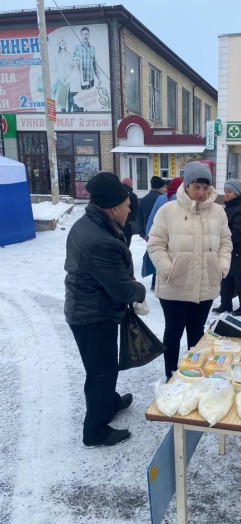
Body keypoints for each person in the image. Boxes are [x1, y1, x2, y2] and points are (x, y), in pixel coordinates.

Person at [64, 172, 146, 447]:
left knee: (102, 366)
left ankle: (109, 402)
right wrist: (140, 289)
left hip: (87, 309)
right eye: (127, 205)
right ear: (113, 209)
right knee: (101, 371)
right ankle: (96, 430)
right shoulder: (101, 240)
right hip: (93, 315)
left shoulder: (89, 223)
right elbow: (121, 289)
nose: (130, 208)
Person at [147, 162, 232, 379]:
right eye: (196, 186)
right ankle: (171, 374)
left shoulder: (218, 212)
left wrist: (221, 268)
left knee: (197, 332)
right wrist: (168, 270)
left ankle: (194, 374)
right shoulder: (168, 210)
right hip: (174, 284)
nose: (201, 192)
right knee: (173, 333)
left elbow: (226, 243)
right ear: (186, 186)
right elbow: (155, 244)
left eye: (205, 187)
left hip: (206, 283)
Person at [212, 178, 241, 316]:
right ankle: (226, 304)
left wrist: (221, 239)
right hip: (232, 252)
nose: (226, 194)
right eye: (225, 191)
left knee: (240, 281)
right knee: (226, 279)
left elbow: (238, 233)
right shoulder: (231, 207)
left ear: (237, 193)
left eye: (230, 192)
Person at [137, 176, 167, 290]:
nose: (165, 189)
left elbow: (138, 217)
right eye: (164, 186)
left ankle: (154, 282)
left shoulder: (144, 199)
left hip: (148, 232)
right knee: (161, 256)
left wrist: (142, 232)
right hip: (160, 232)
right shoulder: (163, 199)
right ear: (160, 187)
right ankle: (157, 282)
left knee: (153, 255)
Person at [74, 26, 101, 90]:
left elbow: (94, 64)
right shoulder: (77, 48)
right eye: (83, 34)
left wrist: (99, 78)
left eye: (86, 34)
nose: (85, 36)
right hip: (81, 80)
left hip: (91, 79)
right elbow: (74, 63)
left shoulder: (92, 48)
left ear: (89, 35)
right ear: (81, 36)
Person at [121, 177, 139, 247]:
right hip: (128, 225)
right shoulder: (133, 196)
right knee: (126, 244)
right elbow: (135, 211)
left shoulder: (117, 194)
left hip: (117, 224)